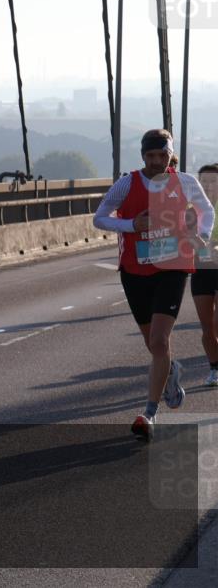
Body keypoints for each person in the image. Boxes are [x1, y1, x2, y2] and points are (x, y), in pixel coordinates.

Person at [93, 129, 214, 439]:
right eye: (150, 155)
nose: (157, 161)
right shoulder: (126, 184)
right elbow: (100, 218)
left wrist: (201, 236)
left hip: (173, 266)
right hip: (134, 270)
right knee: (153, 344)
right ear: (143, 156)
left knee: (160, 342)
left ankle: (149, 413)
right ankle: (170, 370)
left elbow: (206, 211)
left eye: (162, 155)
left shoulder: (184, 182)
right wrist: (131, 224)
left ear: (170, 155)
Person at [191, 163, 218, 387]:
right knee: (207, 327)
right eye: (204, 182)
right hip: (201, 270)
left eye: (213, 181)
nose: (208, 186)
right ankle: (215, 369)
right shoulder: (191, 211)